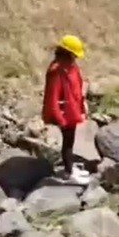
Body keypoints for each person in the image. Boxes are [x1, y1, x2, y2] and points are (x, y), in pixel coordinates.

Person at [43, 35, 88, 179]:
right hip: (63, 113)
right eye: (74, 55)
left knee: (70, 140)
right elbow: (53, 96)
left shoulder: (71, 67)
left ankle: (70, 168)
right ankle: (69, 172)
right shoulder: (56, 70)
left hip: (71, 111)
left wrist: (82, 106)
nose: (75, 58)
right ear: (67, 53)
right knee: (68, 142)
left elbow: (77, 88)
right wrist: (59, 118)